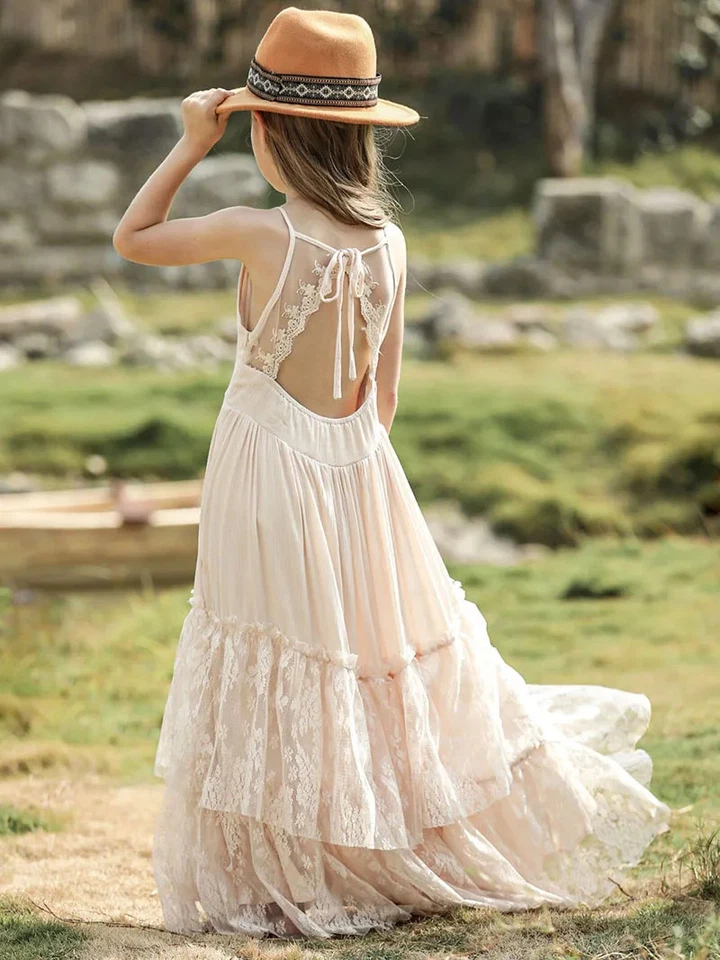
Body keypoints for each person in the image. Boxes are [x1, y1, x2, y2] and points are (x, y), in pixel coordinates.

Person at [113, 5, 671, 941]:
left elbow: (134, 236)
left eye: (251, 125)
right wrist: (347, 475)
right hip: (360, 473)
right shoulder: (389, 243)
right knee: (359, 665)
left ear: (272, 132)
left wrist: (187, 142)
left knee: (279, 657)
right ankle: (368, 844)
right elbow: (383, 401)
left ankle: (289, 866)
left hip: (268, 480)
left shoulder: (259, 231)